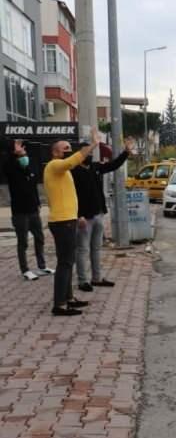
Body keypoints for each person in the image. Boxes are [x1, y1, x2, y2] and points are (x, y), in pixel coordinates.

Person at [72, 137, 134, 292]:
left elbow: (113, 165)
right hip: (84, 217)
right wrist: (78, 215)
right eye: (87, 152)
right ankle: (82, 281)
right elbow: (71, 196)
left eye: (91, 151)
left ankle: (97, 278)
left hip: (99, 213)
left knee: (96, 248)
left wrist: (126, 152)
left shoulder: (94, 167)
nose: (90, 154)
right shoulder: (73, 171)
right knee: (82, 249)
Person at [44, 134, 96, 316]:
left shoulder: (62, 171)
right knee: (65, 263)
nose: (68, 151)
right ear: (55, 152)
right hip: (62, 222)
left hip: (67, 220)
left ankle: (68, 299)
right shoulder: (54, 165)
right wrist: (92, 145)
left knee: (67, 261)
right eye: (64, 149)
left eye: (69, 148)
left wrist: (76, 217)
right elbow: (71, 161)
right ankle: (59, 305)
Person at [2, 140, 54, 280]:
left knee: (39, 237)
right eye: (19, 147)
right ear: (13, 151)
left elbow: (33, 186)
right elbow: (10, 168)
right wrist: (16, 156)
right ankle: (25, 269)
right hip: (20, 211)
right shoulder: (10, 166)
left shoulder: (28, 165)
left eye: (23, 147)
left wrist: (38, 203)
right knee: (23, 241)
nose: (23, 149)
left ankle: (42, 266)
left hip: (33, 209)